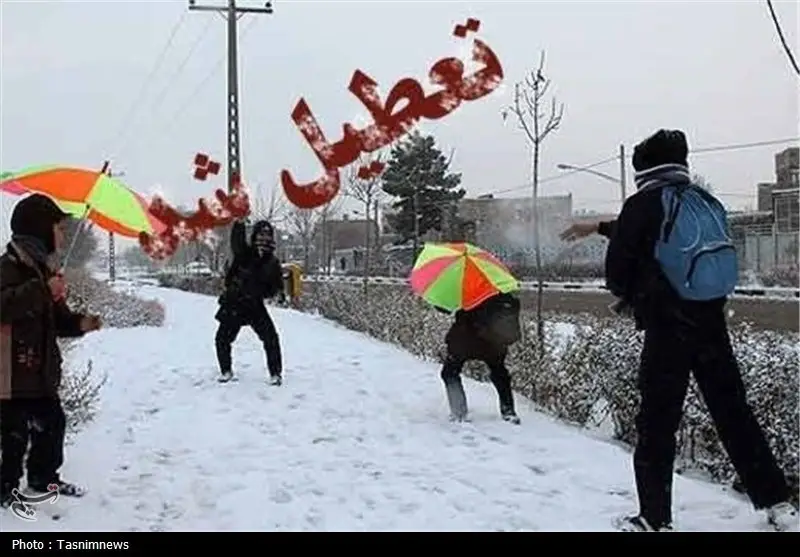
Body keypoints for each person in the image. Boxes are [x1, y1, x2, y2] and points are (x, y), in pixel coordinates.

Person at [561, 129, 798, 532]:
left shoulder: (643, 203)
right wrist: (599, 226)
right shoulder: (703, 201)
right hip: (710, 323)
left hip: (668, 328)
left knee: (657, 421)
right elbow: (656, 233)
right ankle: (778, 504)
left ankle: (653, 518)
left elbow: (620, 269)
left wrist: (628, 294)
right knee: (733, 412)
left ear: (644, 171)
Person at [0, 194, 102, 508]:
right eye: (58, 228)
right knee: (13, 438)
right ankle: (5, 491)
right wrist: (43, 290)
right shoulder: (8, 268)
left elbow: (58, 321)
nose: (62, 235)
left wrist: (81, 323)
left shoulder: (44, 271)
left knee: (52, 425)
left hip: (41, 374)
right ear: (39, 229)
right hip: (10, 375)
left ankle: (43, 479)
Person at [214, 219, 284, 385]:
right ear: (254, 235)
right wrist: (239, 221)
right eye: (261, 234)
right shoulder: (244, 253)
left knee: (271, 338)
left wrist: (276, 293)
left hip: (254, 306)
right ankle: (226, 371)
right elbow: (236, 241)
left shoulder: (272, 262)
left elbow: (276, 285)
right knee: (222, 339)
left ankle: (275, 374)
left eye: (268, 235)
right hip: (235, 303)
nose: (264, 238)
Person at [436, 292, 522, 424]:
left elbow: (446, 308)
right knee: (500, 373)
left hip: (464, 343)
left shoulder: (467, 292)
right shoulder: (505, 296)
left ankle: (459, 413)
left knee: (449, 373)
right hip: (494, 344)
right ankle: (508, 411)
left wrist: (437, 301)